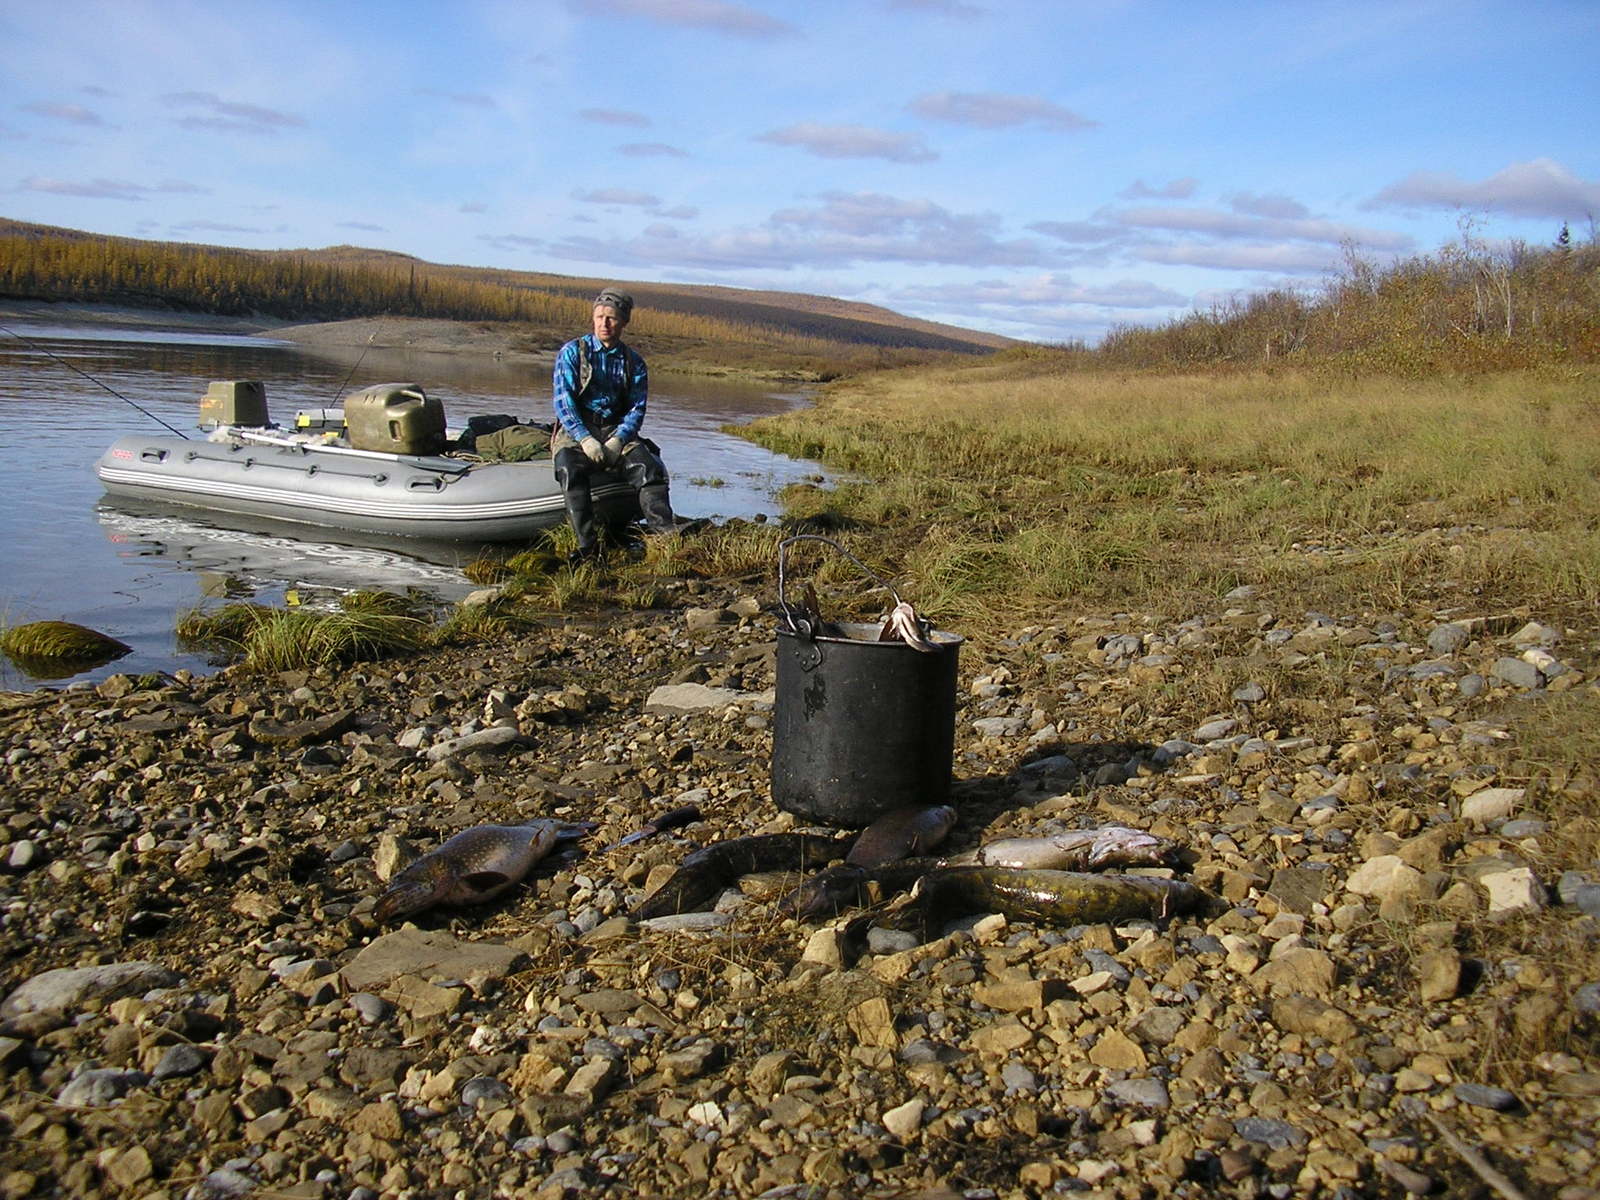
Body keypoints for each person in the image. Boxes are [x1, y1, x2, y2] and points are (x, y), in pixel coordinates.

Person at [550, 286, 679, 563]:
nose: (604, 323)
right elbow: (564, 402)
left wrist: (618, 439)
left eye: (611, 318)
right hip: (578, 428)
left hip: (615, 428)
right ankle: (588, 546)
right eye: (599, 317)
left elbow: (636, 408)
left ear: (623, 322)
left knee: (649, 468)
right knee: (569, 469)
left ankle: (665, 536)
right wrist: (584, 438)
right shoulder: (573, 352)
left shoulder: (634, 363)